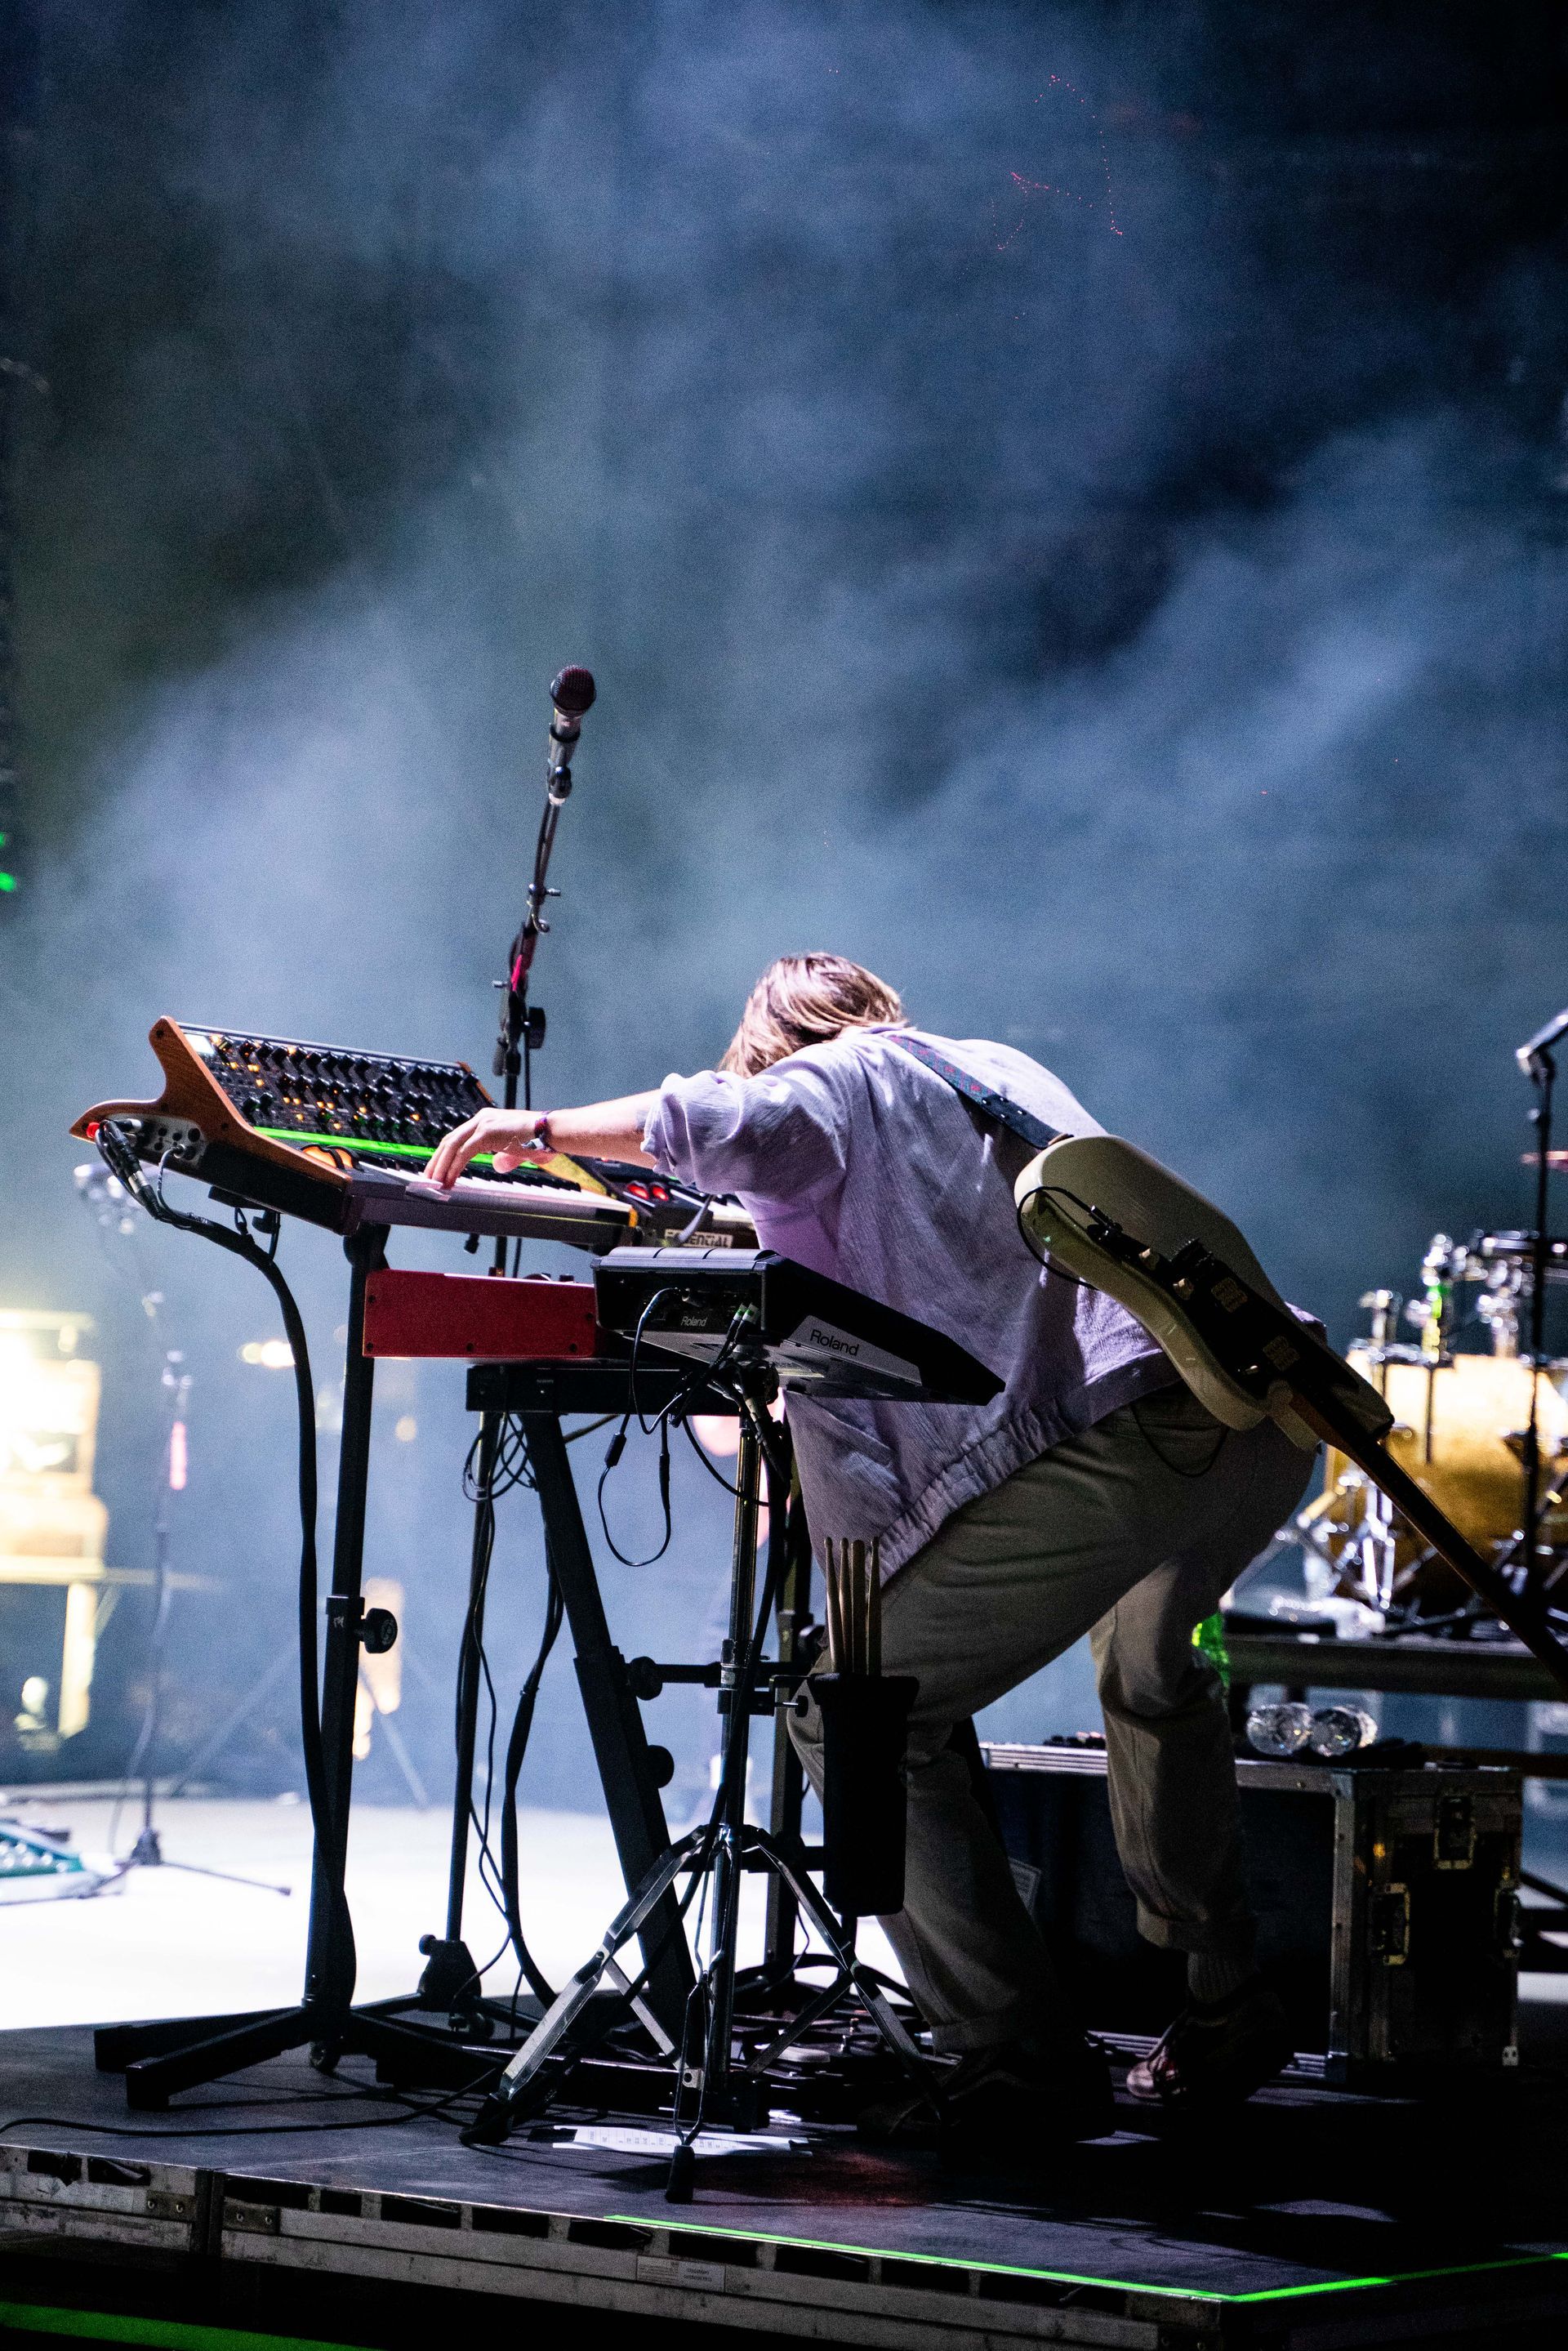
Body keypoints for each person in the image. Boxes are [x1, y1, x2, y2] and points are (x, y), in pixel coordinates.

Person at [425, 953, 1313, 2152]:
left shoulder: (832, 1087)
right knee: (1152, 1675)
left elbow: (716, 1123)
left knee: (853, 1708)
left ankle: (1020, 2053)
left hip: (1136, 1440)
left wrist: (533, 1129)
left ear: (775, 1040)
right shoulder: (994, 1068)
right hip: (1252, 1416)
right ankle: (1228, 2001)